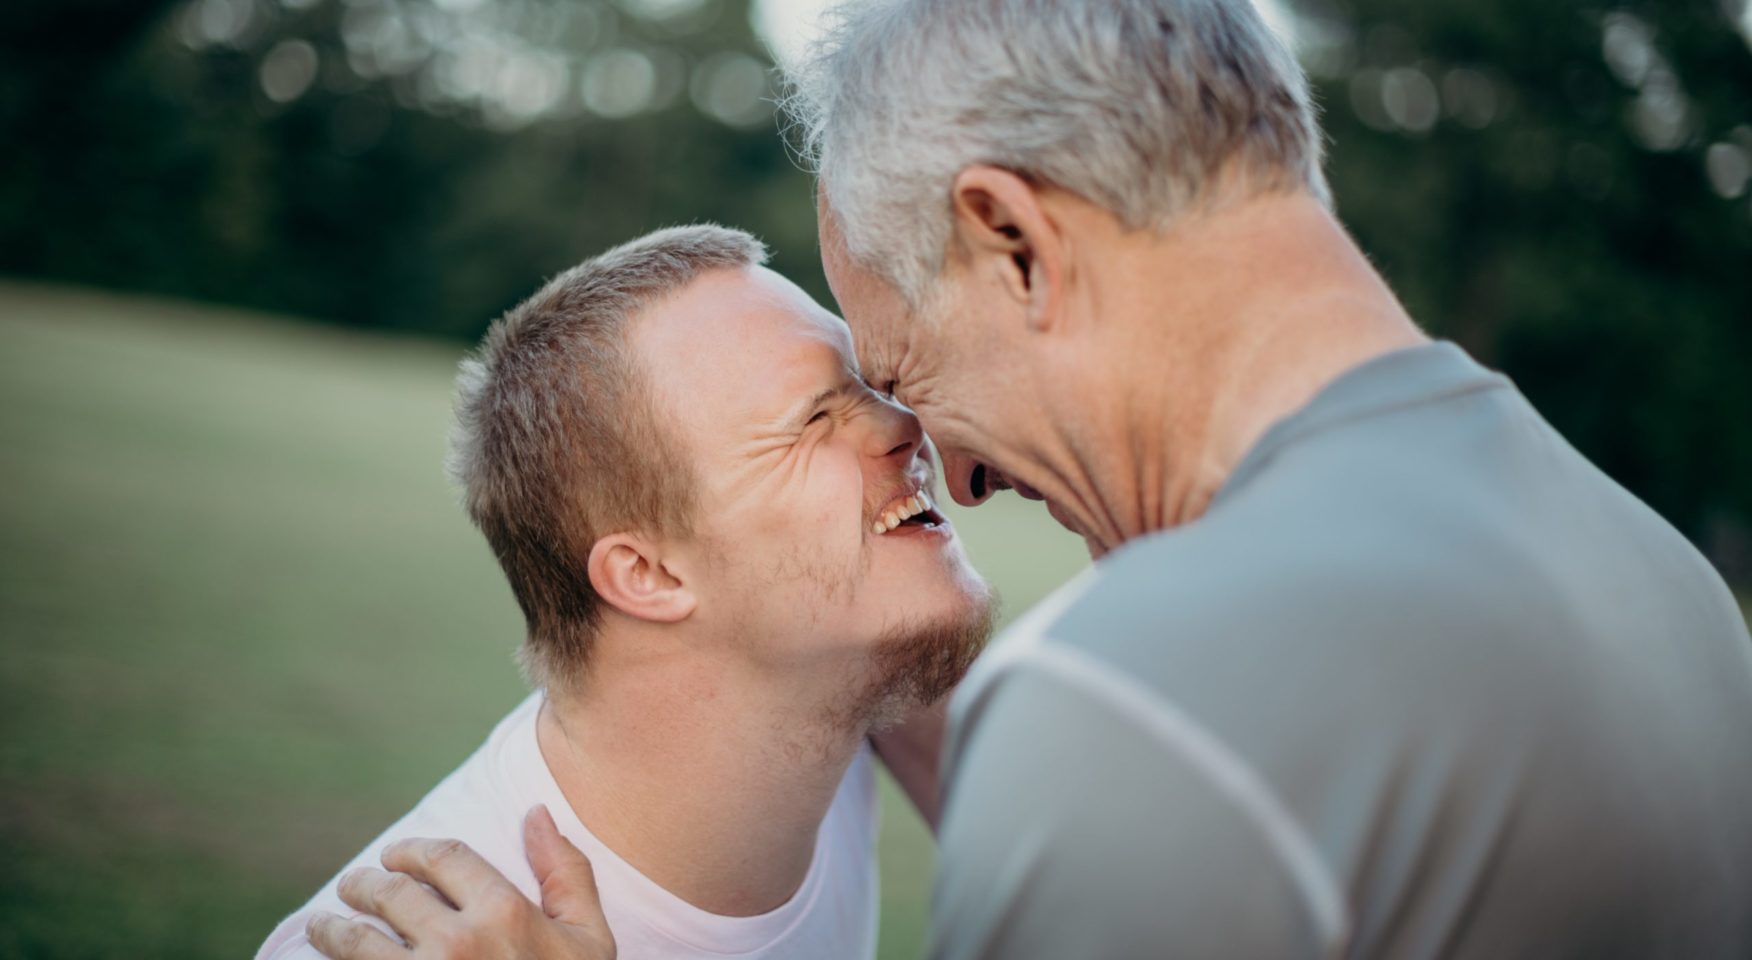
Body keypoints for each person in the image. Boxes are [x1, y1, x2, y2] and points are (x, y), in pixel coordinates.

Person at [311, 0, 1752, 957]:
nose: (951, 467)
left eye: (905, 368)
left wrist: (1087, 751)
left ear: (1012, 242)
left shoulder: (1147, 707)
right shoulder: (1662, 585)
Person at [262, 224, 993, 960]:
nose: (905, 422)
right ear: (649, 575)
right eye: (813, 420)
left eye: (870, 385)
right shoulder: (406, 942)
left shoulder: (851, 679)